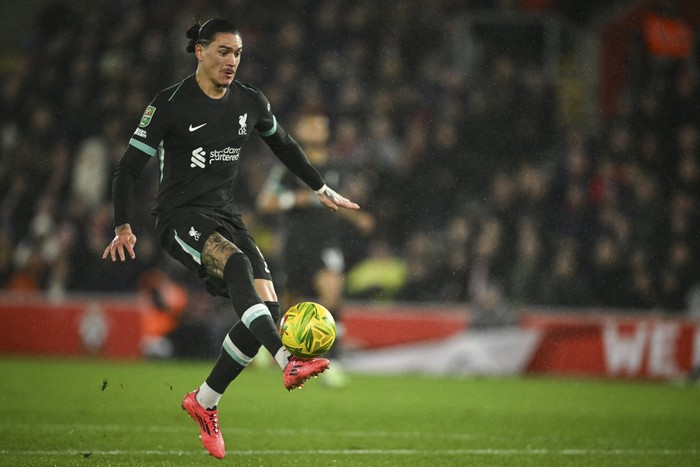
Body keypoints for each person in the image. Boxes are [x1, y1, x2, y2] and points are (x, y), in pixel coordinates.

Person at [101, 18, 360, 460]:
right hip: (180, 217)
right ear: (199, 51)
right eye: (223, 52)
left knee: (263, 305)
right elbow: (127, 168)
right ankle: (286, 359)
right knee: (238, 266)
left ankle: (203, 402)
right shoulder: (169, 105)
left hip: (226, 215)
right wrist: (123, 224)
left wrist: (319, 187)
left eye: (237, 53)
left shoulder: (250, 101)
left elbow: (284, 145)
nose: (232, 61)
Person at [257, 112, 375, 387]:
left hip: (325, 243)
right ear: (300, 130)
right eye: (310, 124)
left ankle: (331, 359)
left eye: (320, 125)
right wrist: (292, 198)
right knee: (289, 303)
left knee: (332, 290)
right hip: (295, 245)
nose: (316, 129)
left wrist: (357, 217)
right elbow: (265, 203)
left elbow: (336, 200)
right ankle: (274, 347)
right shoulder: (288, 168)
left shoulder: (336, 167)